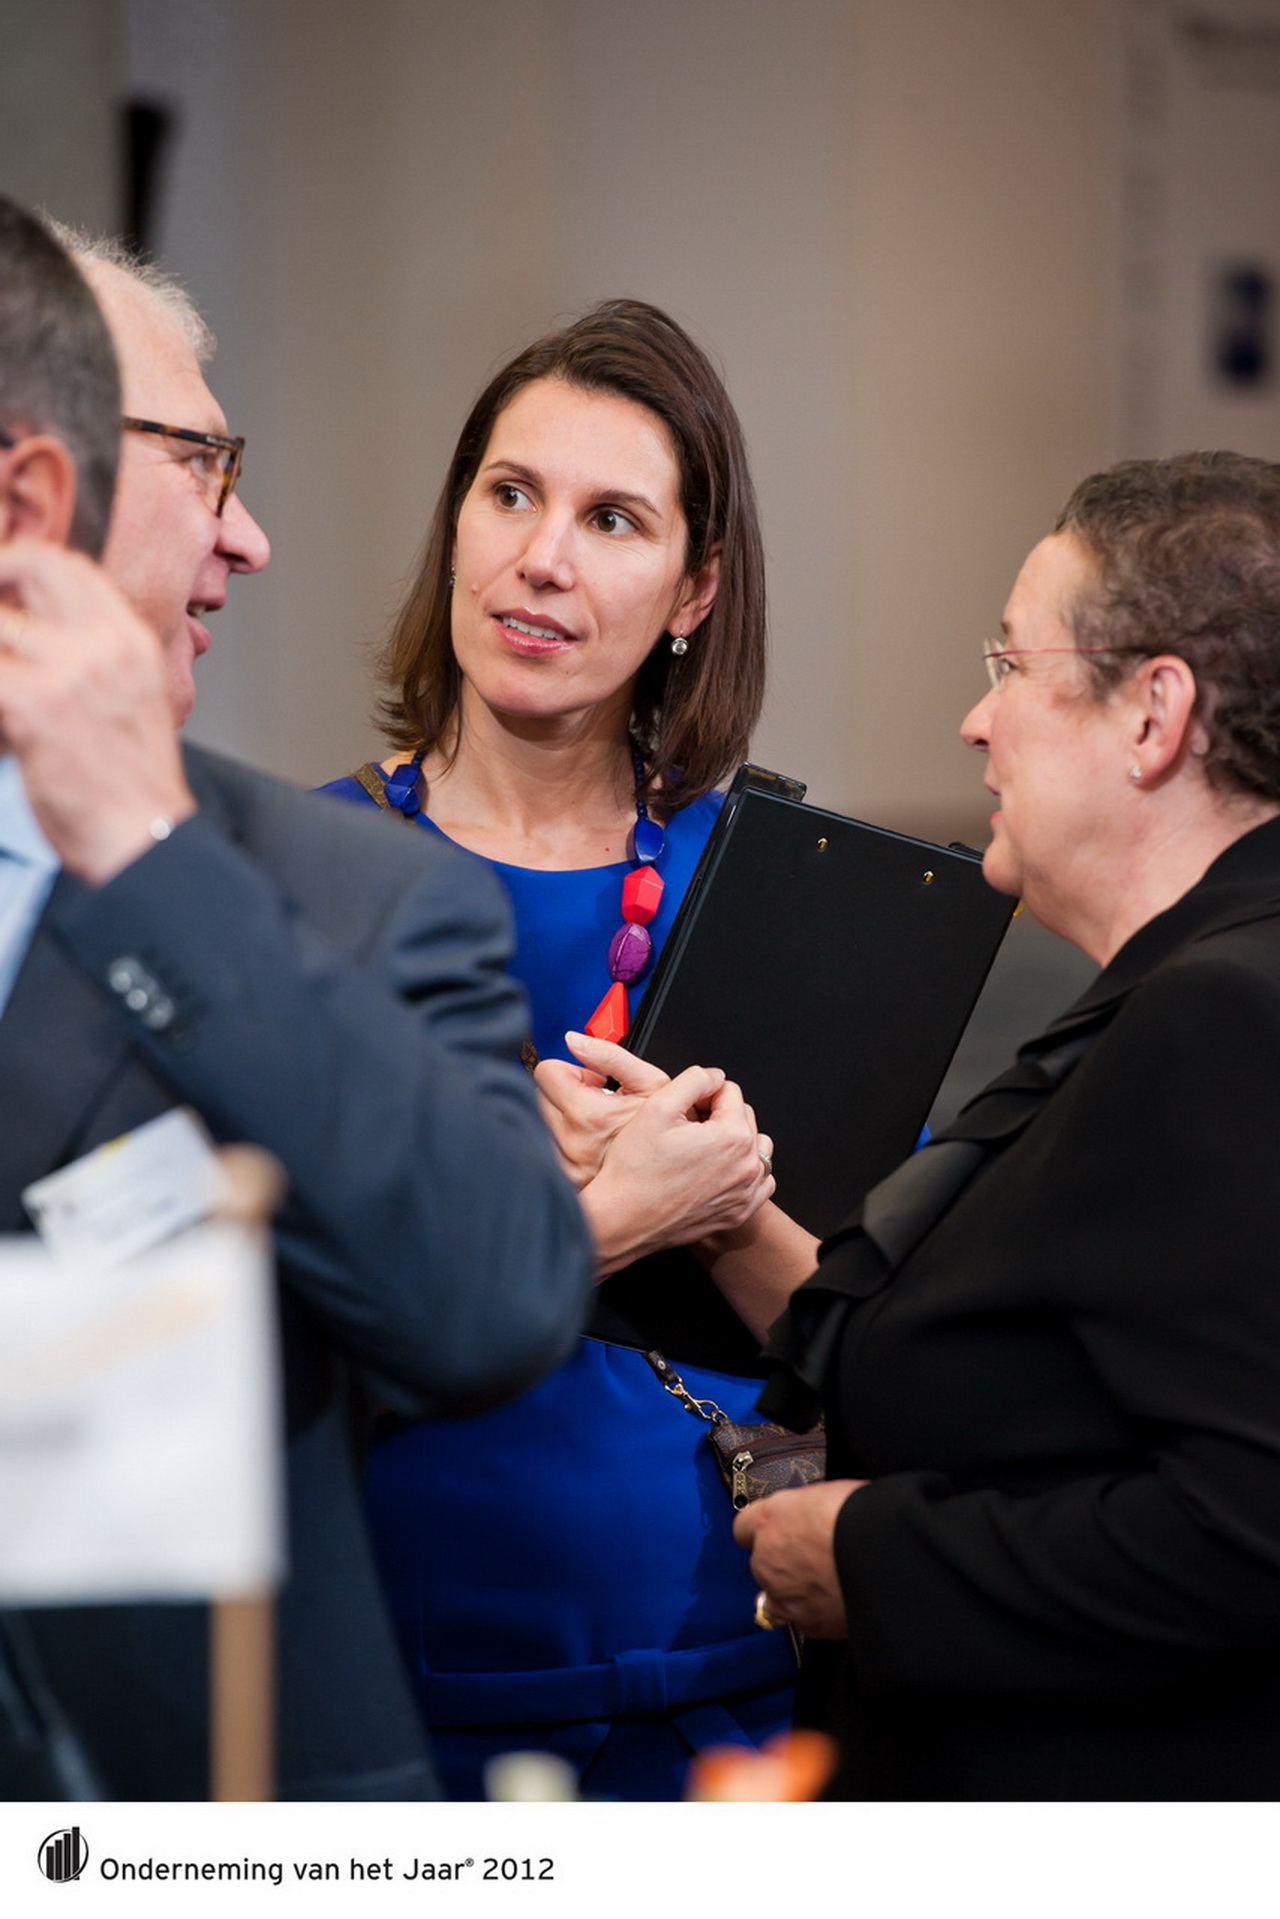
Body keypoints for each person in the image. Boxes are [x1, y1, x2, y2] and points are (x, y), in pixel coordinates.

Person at [0, 197, 593, 1800]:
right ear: (31, 494)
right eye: (203, 463)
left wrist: (148, 857)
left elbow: (490, 1304)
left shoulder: (347, 896)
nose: (249, 538)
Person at [322, 299, 817, 1799]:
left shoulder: (776, 886)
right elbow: (243, 1350)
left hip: (734, 1681)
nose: (544, 558)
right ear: (455, 526)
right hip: (401, 1697)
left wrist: (722, 1204)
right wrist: (604, 1219)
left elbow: (863, 1340)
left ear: (694, 590)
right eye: (511, 494)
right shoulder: (295, 878)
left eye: (613, 520)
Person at [741, 450, 1280, 1800]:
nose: (976, 723)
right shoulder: (1185, 989)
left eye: (1012, 665)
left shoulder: (1220, 1019)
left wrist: (871, 1563)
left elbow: (1251, 1533)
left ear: (1153, 714)